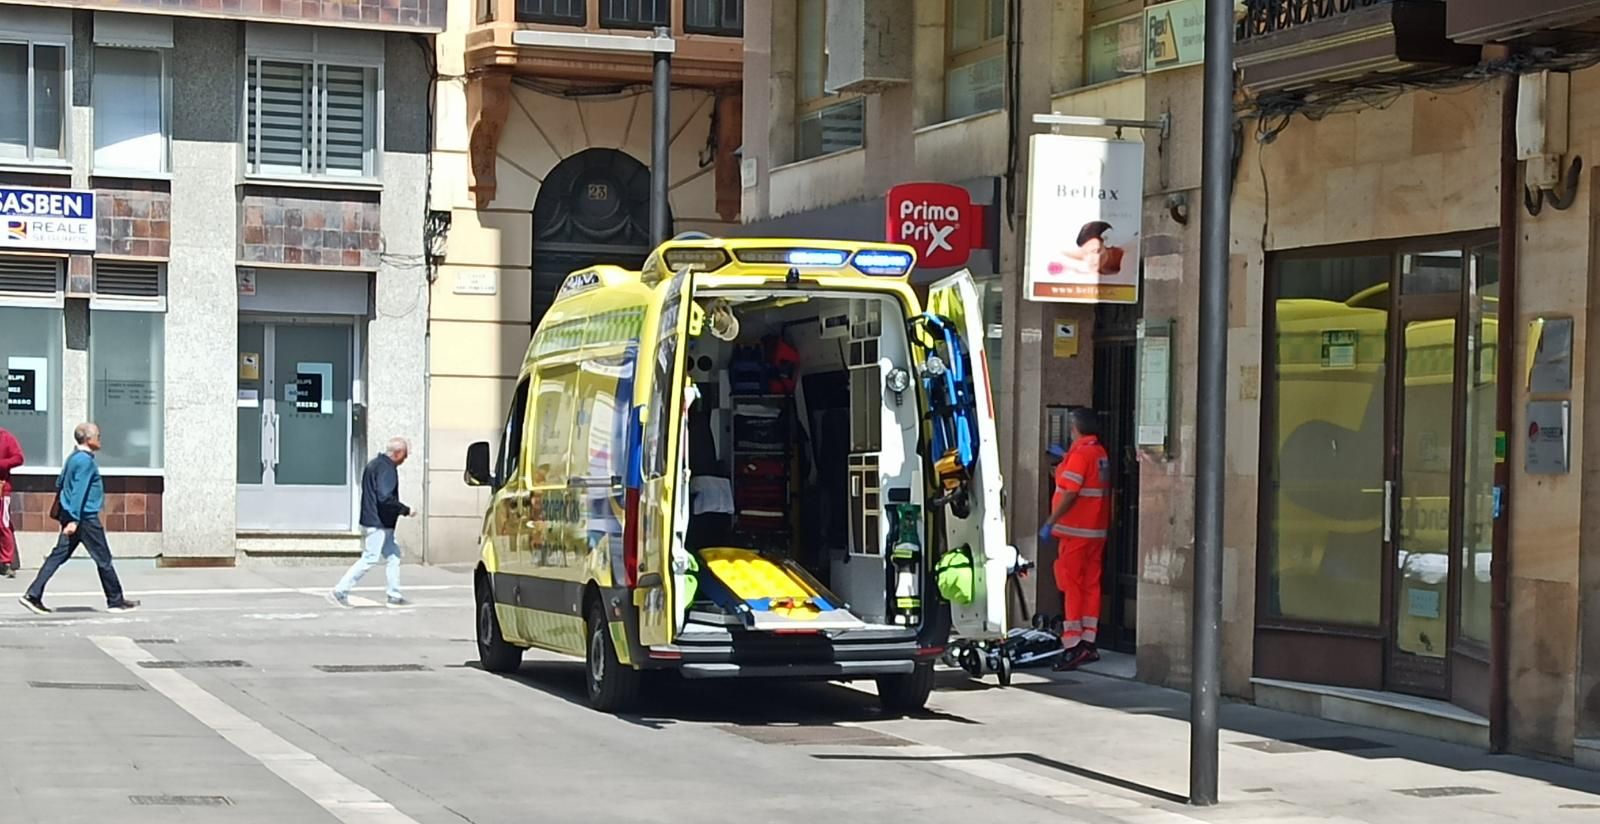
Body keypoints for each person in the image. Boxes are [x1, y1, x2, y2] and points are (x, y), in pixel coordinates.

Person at [19, 423, 140, 614]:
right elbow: (78, 492)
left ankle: (33, 595)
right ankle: (115, 601)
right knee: (104, 559)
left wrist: (69, 516)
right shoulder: (85, 461)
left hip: (74, 516)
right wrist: (74, 519)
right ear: (88, 439)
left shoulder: (73, 458)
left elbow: (60, 482)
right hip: (85, 518)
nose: (100, 439)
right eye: (98, 436)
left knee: (58, 555)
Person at [1039, 408, 1112, 671]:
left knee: (1071, 585)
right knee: (1091, 585)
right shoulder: (1098, 452)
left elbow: (1071, 492)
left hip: (1075, 532)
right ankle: (1089, 640)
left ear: (1076, 429)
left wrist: (1050, 521)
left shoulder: (1080, 454)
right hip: (1095, 532)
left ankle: (1073, 644)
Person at [329, 438, 414, 608]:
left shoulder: (374, 464)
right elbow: (384, 497)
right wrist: (405, 509)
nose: (405, 459)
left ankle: (394, 595)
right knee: (370, 557)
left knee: (393, 555)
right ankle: (340, 590)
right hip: (379, 522)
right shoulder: (386, 469)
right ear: (397, 453)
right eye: (404, 455)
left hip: (376, 520)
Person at [0, 425, 22, 578]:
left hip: (1, 487)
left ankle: (6, 562)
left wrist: (2, 464)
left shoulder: (5, 437)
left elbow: (18, 458)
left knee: (3, 524)